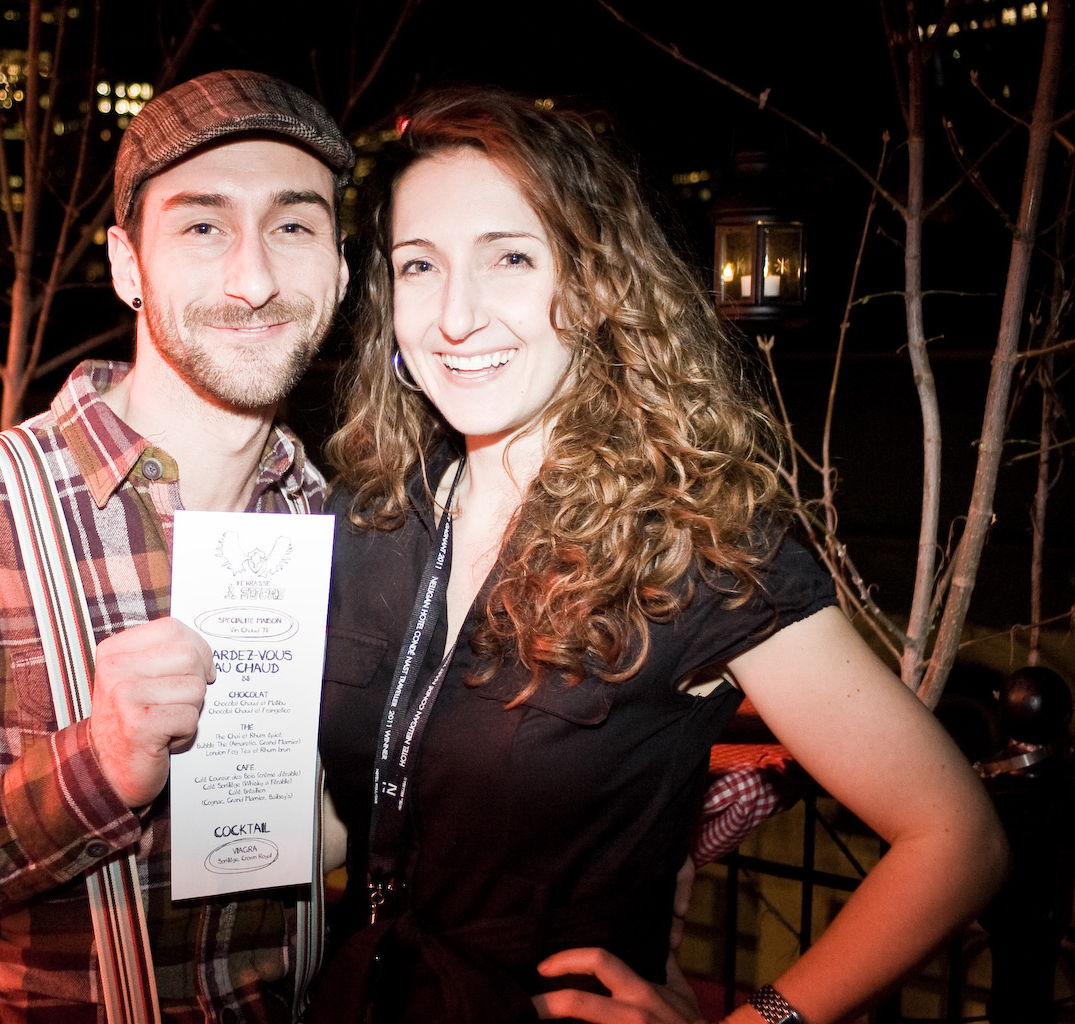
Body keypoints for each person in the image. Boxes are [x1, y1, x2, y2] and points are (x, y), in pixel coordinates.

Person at [315, 87, 1008, 1024]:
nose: (454, 317)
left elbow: (956, 838)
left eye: (511, 258)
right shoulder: (378, 517)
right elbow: (363, 812)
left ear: (598, 284)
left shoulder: (693, 546)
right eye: (420, 266)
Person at [0, 69, 353, 1024]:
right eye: (202, 227)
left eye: (293, 226)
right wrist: (89, 772)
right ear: (128, 266)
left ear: (338, 268)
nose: (254, 279)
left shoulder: (343, 528)